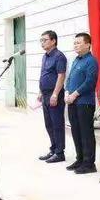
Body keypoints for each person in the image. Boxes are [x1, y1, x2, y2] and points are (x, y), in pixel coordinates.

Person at [65, 33, 99, 174]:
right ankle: (80, 159)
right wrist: (67, 92)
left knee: (86, 133)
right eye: (74, 43)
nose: (76, 45)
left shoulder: (91, 61)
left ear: (88, 44)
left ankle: (89, 163)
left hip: (84, 103)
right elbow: (70, 78)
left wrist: (75, 94)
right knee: (76, 131)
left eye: (78, 43)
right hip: (72, 102)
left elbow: (90, 82)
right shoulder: (76, 60)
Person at [37, 31, 68, 163]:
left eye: (45, 40)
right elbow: (43, 73)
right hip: (45, 94)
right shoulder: (45, 56)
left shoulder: (59, 56)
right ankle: (54, 149)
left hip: (54, 94)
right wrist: (40, 91)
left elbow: (61, 75)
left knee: (57, 124)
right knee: (48, 124)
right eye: (41, 41)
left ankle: (60, 153)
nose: (42, 43)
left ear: (53, 41)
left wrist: (55, 94)